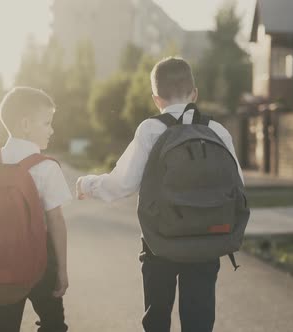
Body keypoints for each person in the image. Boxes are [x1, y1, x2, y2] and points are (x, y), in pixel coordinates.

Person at [76, 56, 244, 332]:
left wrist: (87, 184)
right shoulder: (217, 130)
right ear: (195, 94)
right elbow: (238, 186)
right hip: (206, 239)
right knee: (199, 320)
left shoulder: (151, 129)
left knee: (157, 316)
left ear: (156, 99)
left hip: (160, 239)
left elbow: (123, 183)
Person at [0, 87, 71, 332]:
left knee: (3, 327)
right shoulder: (46, 168)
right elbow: (56, 221)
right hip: (40, 262)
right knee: (54, 325)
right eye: (47, 123)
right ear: (26, 124)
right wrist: (62, 269)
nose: (52, 130)